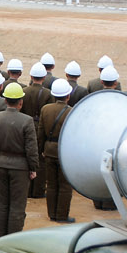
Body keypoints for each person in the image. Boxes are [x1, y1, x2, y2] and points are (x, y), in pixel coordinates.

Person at [0, 83, 38, 238]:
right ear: (20, 102)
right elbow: (31, 148)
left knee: (2, 204)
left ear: (5, 101)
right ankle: (13, 238)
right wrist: (33, 168)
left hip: (1, 164)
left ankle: (1, 237)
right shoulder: (27, 121)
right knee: (17, 206)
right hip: (20, 168)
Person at [39, 80, 75, 223]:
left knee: (51, 184)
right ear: (68, 96)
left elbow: (40, 132)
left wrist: (41, 149)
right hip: (64, 151)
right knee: (65, 185)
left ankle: (52, 214)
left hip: (49, 150)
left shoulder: (45, 109)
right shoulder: (71, 112)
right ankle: (62, 215)